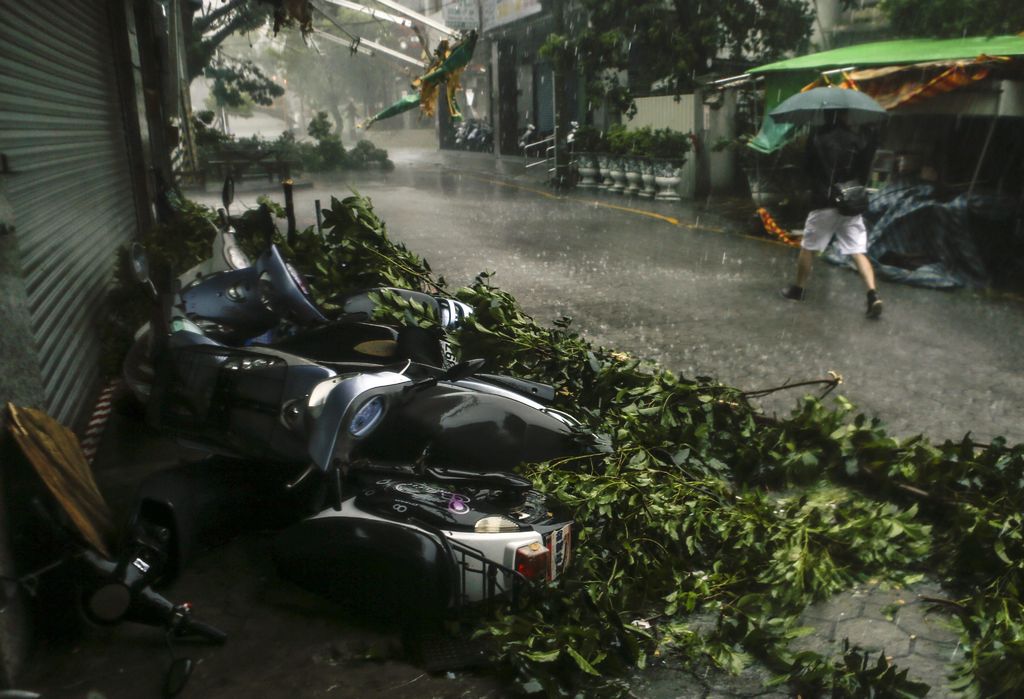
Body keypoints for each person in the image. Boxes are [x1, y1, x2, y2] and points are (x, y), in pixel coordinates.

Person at [781, 110, 883, 318]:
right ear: (846, 116)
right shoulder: (857, 139)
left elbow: (807, 168)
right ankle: (872, 295)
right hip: (850, 203)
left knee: (808, 248)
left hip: (824, 201)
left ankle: (798, 290)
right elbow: (863, 172)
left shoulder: (818, 137)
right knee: (858, 251)